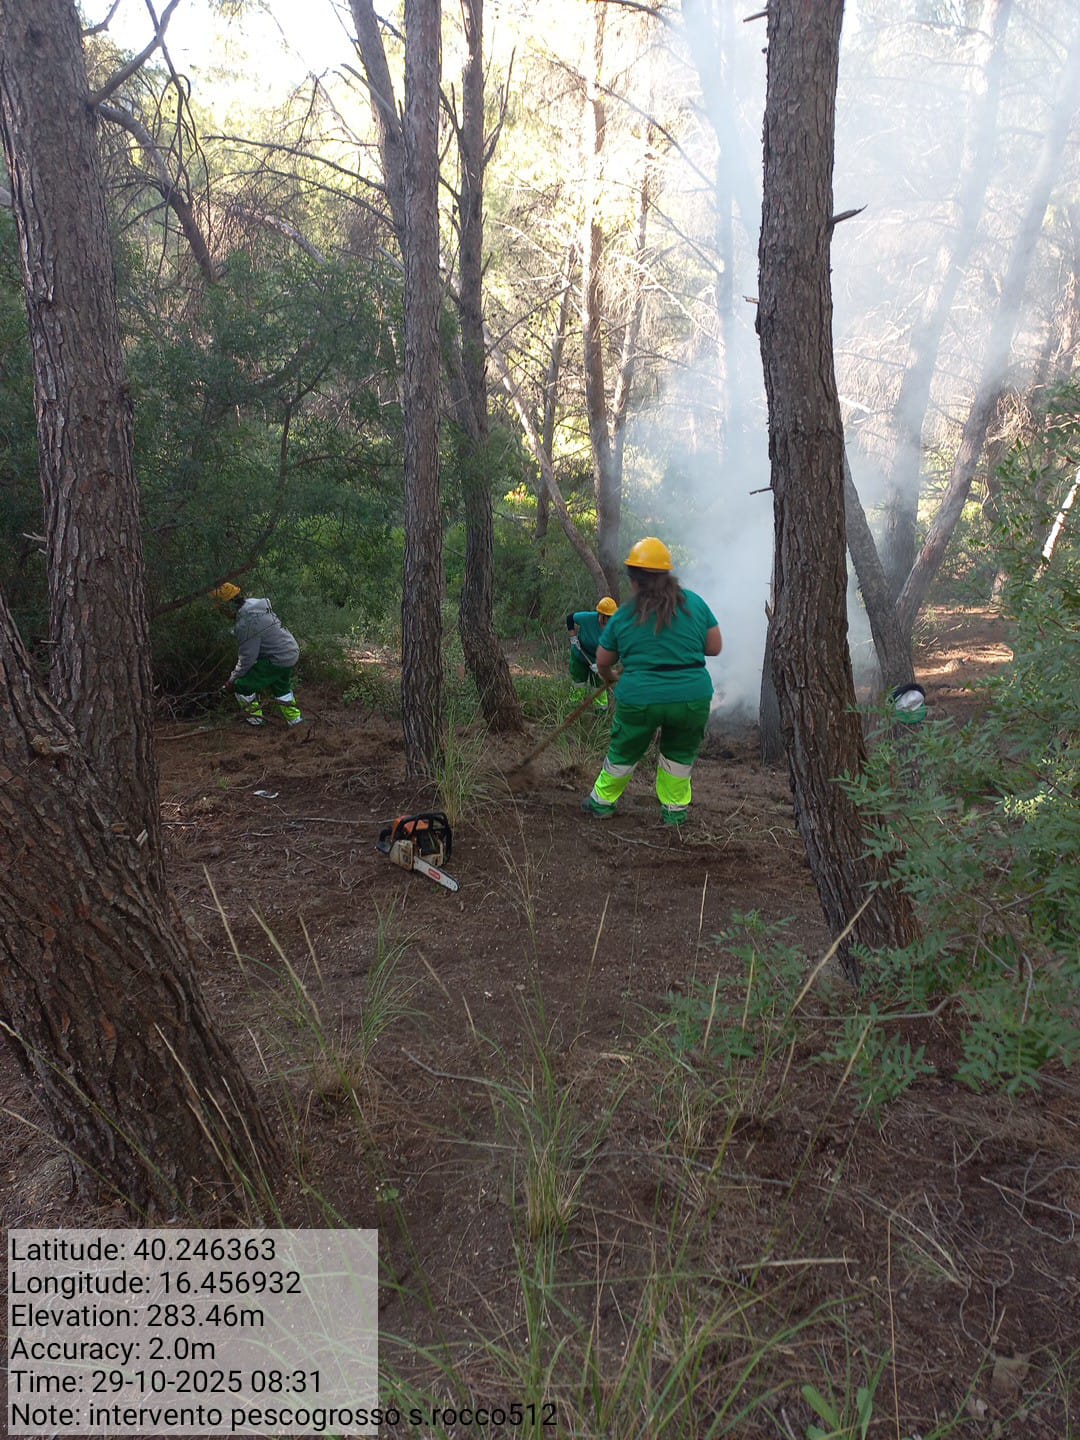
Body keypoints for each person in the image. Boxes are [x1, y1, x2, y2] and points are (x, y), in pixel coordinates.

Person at [582, 538, 721, 826]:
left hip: (640, 698)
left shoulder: (624, 615)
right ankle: (674, 812)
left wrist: (611, 677)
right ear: (668, 574)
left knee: (624, 750)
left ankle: (601, 803)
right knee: (679, 755)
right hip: (691, 698)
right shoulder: (695, 603)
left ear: (634, 579)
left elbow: (604, 660)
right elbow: (714, 647)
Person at [210, 582, 304, 727]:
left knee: (242, 687)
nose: (222, 613)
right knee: (282, 689)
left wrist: (231, 681)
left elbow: (247, 659)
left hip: (276, 658)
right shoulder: (253, 605)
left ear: (227, 606)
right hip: (290, 651)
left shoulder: (246, 624)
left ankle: (254, 721)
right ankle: (295, 721)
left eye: (221, 609)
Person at [566, 596, 618, 708]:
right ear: (601, 614)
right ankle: (575, 706)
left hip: (599, 660)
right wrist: (573, 636)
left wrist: (601, 667)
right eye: (607, 617)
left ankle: (601, 711)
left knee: (598, 687)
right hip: (580, 654)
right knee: (579, 683)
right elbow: (570, 618)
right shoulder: (588, 618)